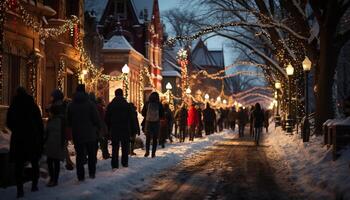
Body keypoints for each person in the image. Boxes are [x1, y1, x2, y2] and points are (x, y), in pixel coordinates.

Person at [7, 87, 44, 198]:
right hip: (32, 138)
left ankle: (20, 189)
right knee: (34, 162)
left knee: (19, 164)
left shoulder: (14, 106)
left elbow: (9, 123)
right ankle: (34, 185)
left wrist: (16, 129)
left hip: (18, 138)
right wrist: (40, 135)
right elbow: (39, 123)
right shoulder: (33, 105)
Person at [67, 84, 101, 181]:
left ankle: (80, 176)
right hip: (90, 133)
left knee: (80, 155)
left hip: (77, 134)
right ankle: (91, 173)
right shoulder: (90, 104)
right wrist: (97, 127)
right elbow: (96, 118)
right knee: (91, 154)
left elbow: (68, 120)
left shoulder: (71, 105)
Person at [105, 89, 133, 169]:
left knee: (115, 148)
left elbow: (107, 118)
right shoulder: (127, 105)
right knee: (125, 147)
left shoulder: (111, 105)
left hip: (115, 128)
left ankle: (114, 164)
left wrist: (109, 127)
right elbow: (131, 118)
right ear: (122, 94)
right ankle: (124, 163)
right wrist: (131, 128)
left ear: (115, 94)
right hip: (125, 128)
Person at [44, 98, 66, 187]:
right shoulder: (52, 120)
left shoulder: (58, 120)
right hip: (52, 143)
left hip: (55, 143)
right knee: (51, 161)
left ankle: (54, 179)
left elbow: (62, 133)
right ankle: (53, 178)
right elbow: (47, 132)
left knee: (54, 162)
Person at [142, 92, 164, 158]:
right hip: (156, 123)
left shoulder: (147, 103)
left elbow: (143, 113)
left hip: (148, 122)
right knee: (155, 138)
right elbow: (162, 114)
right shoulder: (159, 104)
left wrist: (147, 116)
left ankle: (147, 152)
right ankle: (153, 153)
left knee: (148, 138)